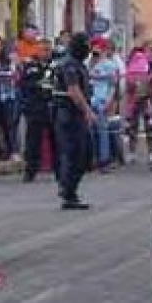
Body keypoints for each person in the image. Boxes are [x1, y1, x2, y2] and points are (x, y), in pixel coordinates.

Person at [51, 32, 96, 210]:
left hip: (74, 114)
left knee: (83, 153)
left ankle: (69, 189)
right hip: (69, 113)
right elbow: (73, 90)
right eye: (85, 46)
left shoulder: (78, 64)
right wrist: (87, 111)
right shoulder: (69, 64)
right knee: (74, 153)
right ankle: (68, 192)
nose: (88, 50)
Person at [19, 40, 57, 182]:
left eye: (47, 50)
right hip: (35, 107)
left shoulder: (56, 65)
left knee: (56, 139)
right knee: (33, 141)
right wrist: (40, 85)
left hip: (53, 106)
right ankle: (30, 171)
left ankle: (59, 169)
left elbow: (57, 83)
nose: (45, 53)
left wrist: (42, 85)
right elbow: (26, 84)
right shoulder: (30, 65)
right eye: (42, 50)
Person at [88, 38, 122, 171]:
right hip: (89, 100)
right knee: (90, 131)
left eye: (98, 49)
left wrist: (109, 100)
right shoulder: (87, 63)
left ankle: (104, 160)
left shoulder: (110, 65)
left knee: (103, 130)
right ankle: (91, 158)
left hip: (102, 100)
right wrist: (91, 62)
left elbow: (113, 85)